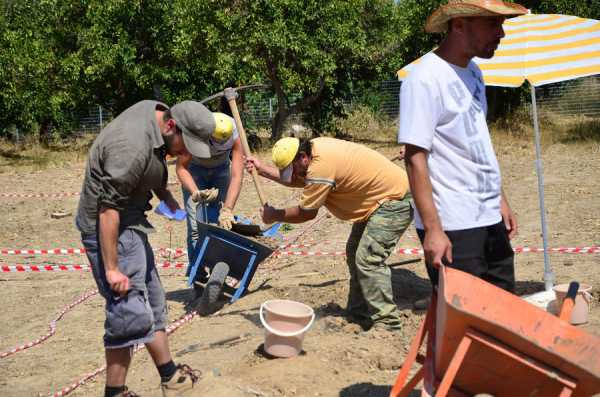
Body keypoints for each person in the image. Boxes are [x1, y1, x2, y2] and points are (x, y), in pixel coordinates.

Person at [76, 100, 218, 397]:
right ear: (170, 126)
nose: (186, 154)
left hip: (131, 222)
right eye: (185, 145)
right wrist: (112, 267)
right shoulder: (130, 145)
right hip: (111, 229)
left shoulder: (157, 116)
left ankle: (170, 376)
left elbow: (148, 167)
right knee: (128, 313)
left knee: (153, 302)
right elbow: (107, 209)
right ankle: (115, 393)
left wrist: (164, 194)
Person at [398, 0, 526, 303]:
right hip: (454, 225)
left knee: (503, 310)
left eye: (502, 24)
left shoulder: (474, 72)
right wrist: (433, 229)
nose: (501, 33)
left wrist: (500, 198)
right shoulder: (424, 78)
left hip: (488, 216)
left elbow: (476, 142)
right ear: (458, 25)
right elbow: (415, 158)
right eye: (493, 24)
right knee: (463, 321)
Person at [246, 137, 413, 331]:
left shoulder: (320, 168)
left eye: (292, 169)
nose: (292, 175)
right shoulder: (313, 150)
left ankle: (388, 323)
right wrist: (262, 169)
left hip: (394, 200)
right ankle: (358, 312)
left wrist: (275, 215)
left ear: (302, 157)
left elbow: (307, 213)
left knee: (368, 259)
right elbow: (297, 179)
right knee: (354, 253)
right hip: (374, 201)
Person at [175, 98, 244, 262]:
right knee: (195, 226)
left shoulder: (234, 134)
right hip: (195, 171)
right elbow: (181, 168)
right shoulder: (195, 133)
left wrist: (228, 209)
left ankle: (217, 270)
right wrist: (195, 192)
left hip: (221, 171)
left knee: (220, 223)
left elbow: (237, 175)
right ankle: (197, 273)